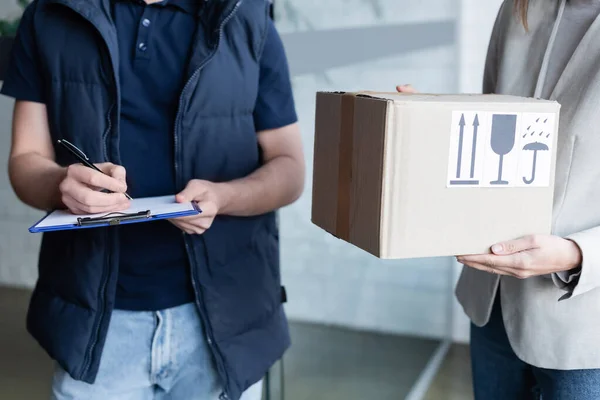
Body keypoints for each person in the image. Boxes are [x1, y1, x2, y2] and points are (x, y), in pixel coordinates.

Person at [3, 0, 304, 399]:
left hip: (225, 322)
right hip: (97, 326)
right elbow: (25, 161)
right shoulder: (51, 14)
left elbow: (290, 167)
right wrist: (62, 184)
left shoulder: (244, 15)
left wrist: (225, 197)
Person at [403, 0, 600, 398]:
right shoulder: (520, 8)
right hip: (491, 304)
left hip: (584, 327)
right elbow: (495, 138)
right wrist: (433, 122)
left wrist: (579, 254)